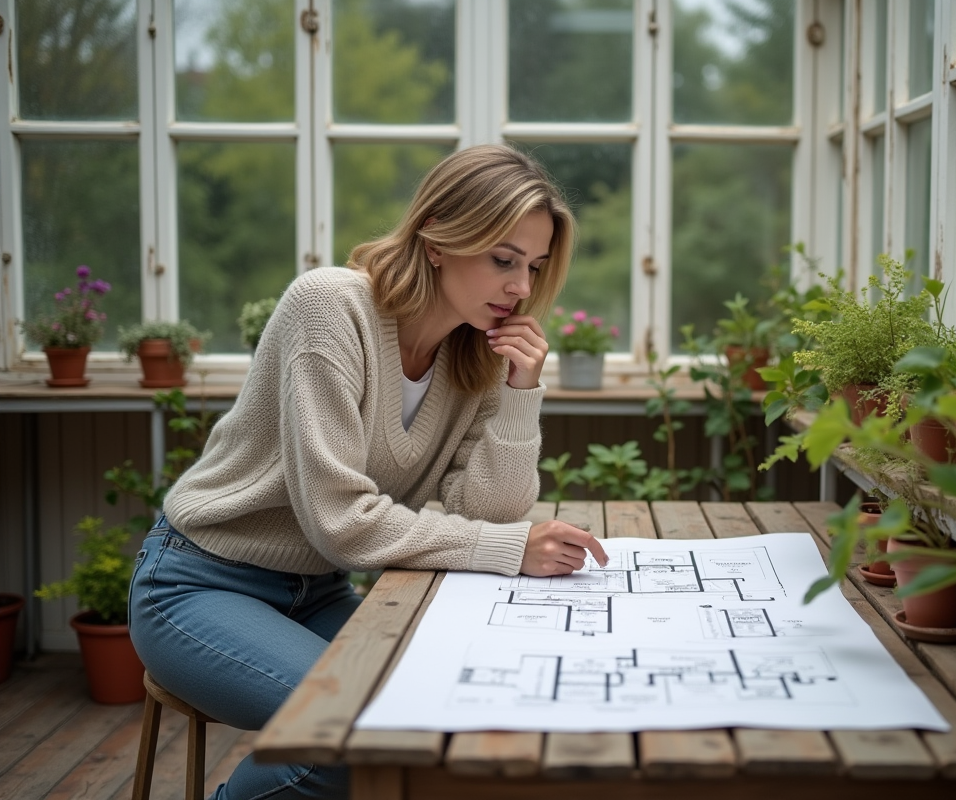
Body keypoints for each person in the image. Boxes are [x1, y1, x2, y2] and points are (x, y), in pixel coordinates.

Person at [128, 143, 609, 800]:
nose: (521, 288)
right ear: (438, 238)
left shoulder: (475, 355)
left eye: (534, 267)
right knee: (349, 735)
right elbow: (340, 524)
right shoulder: (331, 307)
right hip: (201, 584)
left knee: (449, 719)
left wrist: (522, 388)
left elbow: (486, 512)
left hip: (318, 593)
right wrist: (508, 548)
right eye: (503, 259)